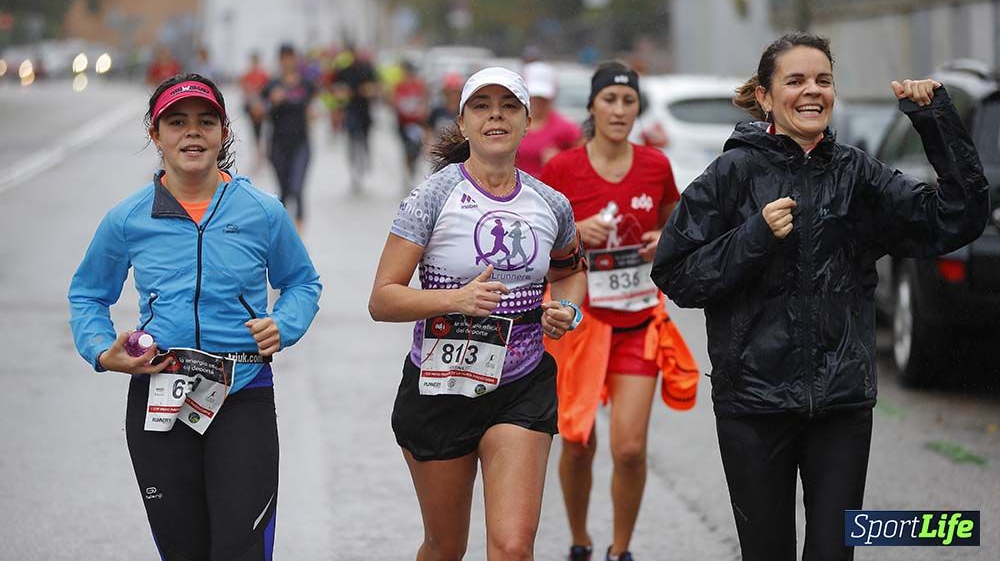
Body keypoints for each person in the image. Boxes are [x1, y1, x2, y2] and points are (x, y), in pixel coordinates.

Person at [650, 32, 989, 561]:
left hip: (841, 404)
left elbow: (956, 217)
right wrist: (753, 237)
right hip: (753, 407)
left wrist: (936, 120)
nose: (813, 91)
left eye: (823, 80)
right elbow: (675, 273)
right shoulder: (732, 174)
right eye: (796, 80)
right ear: (765, 96)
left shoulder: (858, 174)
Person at [68, 73, 322, 560]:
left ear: (224, 132)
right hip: (160, 396)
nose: (192, 132)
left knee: (239, 549)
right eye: (177, 121)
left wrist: (283, 325)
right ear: (155, 134)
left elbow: (302, 283)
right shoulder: (128, 218)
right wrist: (103, 351)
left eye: (206, 122)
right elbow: (87, 295)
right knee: (183, 551)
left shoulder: (262, 212)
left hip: (242, 392)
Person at [369, 66, 588, 560]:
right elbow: (382, 299)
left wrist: (566, 308)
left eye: (508, 106)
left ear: (527, 121)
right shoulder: (433, 197)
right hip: (440, 387)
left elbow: (572, 270)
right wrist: (454, 299)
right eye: (482, 106)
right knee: (446, 547)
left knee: (512, 547)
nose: (496, 116)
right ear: (463, 122)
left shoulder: (550, 204)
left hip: (521, 386)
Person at [541, 62, 698, 561]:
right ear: (591, 106)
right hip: (580, 325)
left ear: (637, 109)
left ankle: (620, 550)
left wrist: (661, 241)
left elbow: (677, 227)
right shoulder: (562, 170)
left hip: (637, 323)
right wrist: (573, 231)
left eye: (628, 101)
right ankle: (580, 541)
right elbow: (533, 248)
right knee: (578, 442)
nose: (619, 110)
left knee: (629, 449)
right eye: (609, 99)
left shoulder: (655, 166)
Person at [263, 42, 316, 231]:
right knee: (284, 191)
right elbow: (260, 113)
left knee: (298, 188)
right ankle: (284, 232)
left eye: (290, 57)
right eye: (283, 58)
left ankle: (300, 234)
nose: (287, 62)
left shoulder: (306, 84)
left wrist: (316, 112)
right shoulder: (272, 84)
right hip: (278, 144)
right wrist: (271, 102)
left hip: (301, 143)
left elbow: (317, 105)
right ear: (279, 60)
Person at [517, 61, 582, 177]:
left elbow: (582, 165)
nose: (538, 102)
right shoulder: (511, 125)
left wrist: (561, 161)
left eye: (543, 98)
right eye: (534, 97)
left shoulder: (567, 129)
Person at [336, 46, 379, 192]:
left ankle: (365, 158)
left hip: (364, 111)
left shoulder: (367, 69)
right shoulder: (345, 71)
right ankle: (354, 167)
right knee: (352, 138)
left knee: (365, 138)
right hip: (351, 110)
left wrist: (369, 90)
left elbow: (376, 87)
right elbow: (337, 88)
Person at [392, 60, 430, 186]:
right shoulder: (399, 86)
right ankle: (408, 171)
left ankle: (412, 168)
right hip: (403, 124)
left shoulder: (419, 85)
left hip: (417, 124)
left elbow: (425, 100)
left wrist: (422, 112)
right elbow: (393, 102)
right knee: (407, 150)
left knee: (416, 149)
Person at [239, 50, 271, 167]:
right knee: (254, 131)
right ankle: (257, 155)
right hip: (252, 107)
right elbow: (244, 91)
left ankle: (261, 154)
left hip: (262, 108)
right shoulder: (247, 75)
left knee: (263, 130)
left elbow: (268, 91)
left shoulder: (264, 75)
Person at [427, 71, 465, 141]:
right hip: (438, 148)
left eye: (455, 92)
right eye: (450, 92)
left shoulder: (463, 112)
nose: (453, 96)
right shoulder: (437, 112)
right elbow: (429, 131)